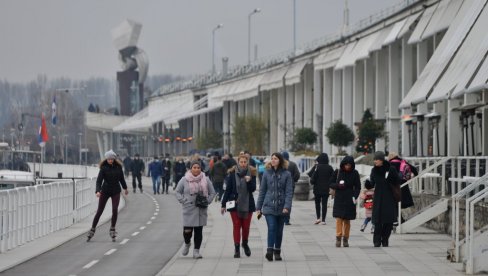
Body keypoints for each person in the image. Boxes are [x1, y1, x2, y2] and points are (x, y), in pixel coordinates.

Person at [256, 152, 293, 262]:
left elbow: (289, 192)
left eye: (275, 158)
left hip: (282, 207)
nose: (273, 160)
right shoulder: (266, 173)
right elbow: (262, 191)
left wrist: (287, 206)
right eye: (272, 158)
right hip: (269, 206)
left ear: (280, 160)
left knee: (279, 230)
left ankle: (277, 251)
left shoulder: (287, 174)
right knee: (272, 227)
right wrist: (258, 207)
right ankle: (269, 251)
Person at [175, 160, 216, 259]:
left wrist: (208, 201)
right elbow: (177, 192)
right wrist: (183, 200)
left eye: (198, 168)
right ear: (191, 168)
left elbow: (212, 192)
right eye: (194, 167)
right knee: (187, 231)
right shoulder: (184, 179)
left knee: (198, 231)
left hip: (200, 209)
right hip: (188, 208)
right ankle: (187, 243)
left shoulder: (205, 179)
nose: (196, 169)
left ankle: (196, 251)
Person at [87, 150, 128, 242]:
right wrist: (97, 191)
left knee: (114, 209)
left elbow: (121, 179)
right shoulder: (103, 168)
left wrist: (125, 188)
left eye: (111, 159)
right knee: (100, 211)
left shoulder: (118, 168)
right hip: (105, 191)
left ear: (113, 159)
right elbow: (99, 181)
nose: (110, 160)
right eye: (108, 159)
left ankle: (112, 228)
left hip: (116, 191)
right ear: (106, 159)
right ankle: (93, 228)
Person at [221, 154, 257, 258]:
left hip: (248, 203)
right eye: (241, 162)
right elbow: (227, 190)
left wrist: (249, 181)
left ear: (247, 162)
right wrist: (223, 205)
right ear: (238, 162)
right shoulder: (232, 174)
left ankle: (245, 243)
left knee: (246, 227)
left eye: (245, 162)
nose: (243, 164)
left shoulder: (252, 173)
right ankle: (236, 248)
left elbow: (253, 189)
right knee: (237, 225)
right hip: (234, 203)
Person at [370, 151, 401, 247]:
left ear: (382, 160)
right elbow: (372, 183)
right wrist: (368, 184)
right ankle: (377, 240)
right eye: (374, 159)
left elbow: (397, 181)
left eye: (377, 159)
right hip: (378, 197)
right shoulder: (374, 170)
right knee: (378, 221)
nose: (375, 161)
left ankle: (385, 239)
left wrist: (391, 179)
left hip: (389, 197)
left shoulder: (391, 169)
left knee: (388, 221)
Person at [330, 156, 361, 247]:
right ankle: (338, 238)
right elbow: (331, 183)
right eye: (346, 165)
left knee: (347, 220)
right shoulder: (338, 172)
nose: (347, 167)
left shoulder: (355, 173)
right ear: (343, 164)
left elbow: (358, 187)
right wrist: (338, 186)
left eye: (349, 165)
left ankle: (346, 238)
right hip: (339, 198)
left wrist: (355, 196)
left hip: (349, 199)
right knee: (339, 219)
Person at [388, 152, 416, 224]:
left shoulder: (390, 164)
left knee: (393, 203)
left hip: (394, 186)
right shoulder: (403, 162)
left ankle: (397, 220)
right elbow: (414, 169)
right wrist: (416, 176)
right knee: (398, 203)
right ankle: (400, 219)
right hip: (403, 185)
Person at [309, 153, 334, 225]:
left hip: (317, 189)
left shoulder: (317, 167)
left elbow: (311, 176)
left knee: (317, 203)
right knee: (324, 204)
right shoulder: (330, 167)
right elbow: (333, 177)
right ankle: (323, 220)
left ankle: (318, 218)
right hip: (326, 189)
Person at [281, 151, 300, 225]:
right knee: (288, 202)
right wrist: (293, 180)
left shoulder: (280, 165)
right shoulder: (293, 164)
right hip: (291, 186)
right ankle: (287, 219)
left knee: (281, 201)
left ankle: (281, 217)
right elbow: (297, 174)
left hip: (281, 185)